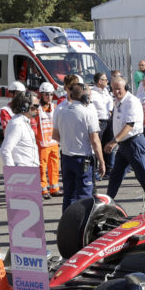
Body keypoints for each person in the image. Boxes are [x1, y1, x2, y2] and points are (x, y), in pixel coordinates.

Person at [103, 77, 145, 207]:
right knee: (115, 176)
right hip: (124, 144)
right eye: (113, 88)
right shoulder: (118, 102)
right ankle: (107, 204)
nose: (116, 91)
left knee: (142, 176)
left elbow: (130, 124)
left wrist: (113, 141)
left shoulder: (131, 101)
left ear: (126, 88)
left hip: (134, 142)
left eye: (119, 89)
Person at [53, 82, 105, 211]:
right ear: (86, 97)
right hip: (83, 160)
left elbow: (55, 135)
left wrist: (67, 143)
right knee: (84, 196)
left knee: (68, 195)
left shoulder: (61, 111)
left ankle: (66, 224)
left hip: (66, 158)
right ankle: (81, 226)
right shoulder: (88, 113)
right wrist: (102, 162)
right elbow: (95, 140)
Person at [33, 82, 61, 198]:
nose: (49, 97)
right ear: (41, 95)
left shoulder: (55, 108)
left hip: (53, 143)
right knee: (41, 167)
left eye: (50, 95)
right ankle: (43, 189)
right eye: (46, 95)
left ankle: (54, 188)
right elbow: (33, 126)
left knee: (54, 166)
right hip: (42, 144)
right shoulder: (37, 110)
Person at [1, 92, 40, 168]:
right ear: (24, 106)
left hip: (29, 170)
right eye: (35, 106)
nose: (37, 109)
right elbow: (5, 150)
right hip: (22, 172)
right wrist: (12, 173)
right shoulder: (18, 124)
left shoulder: (24, 122)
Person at [91, 72, 114, 176]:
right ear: (100, 81)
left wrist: (110, 110)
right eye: (105, 79)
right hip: (99, 122)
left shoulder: (106, 91)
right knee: (98, 145)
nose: (107, 81)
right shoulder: (92, 93)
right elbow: (90, 107)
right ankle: (97, 170)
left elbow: (110, 102)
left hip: (108, 120)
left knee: (108, 144)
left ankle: (108, 169)